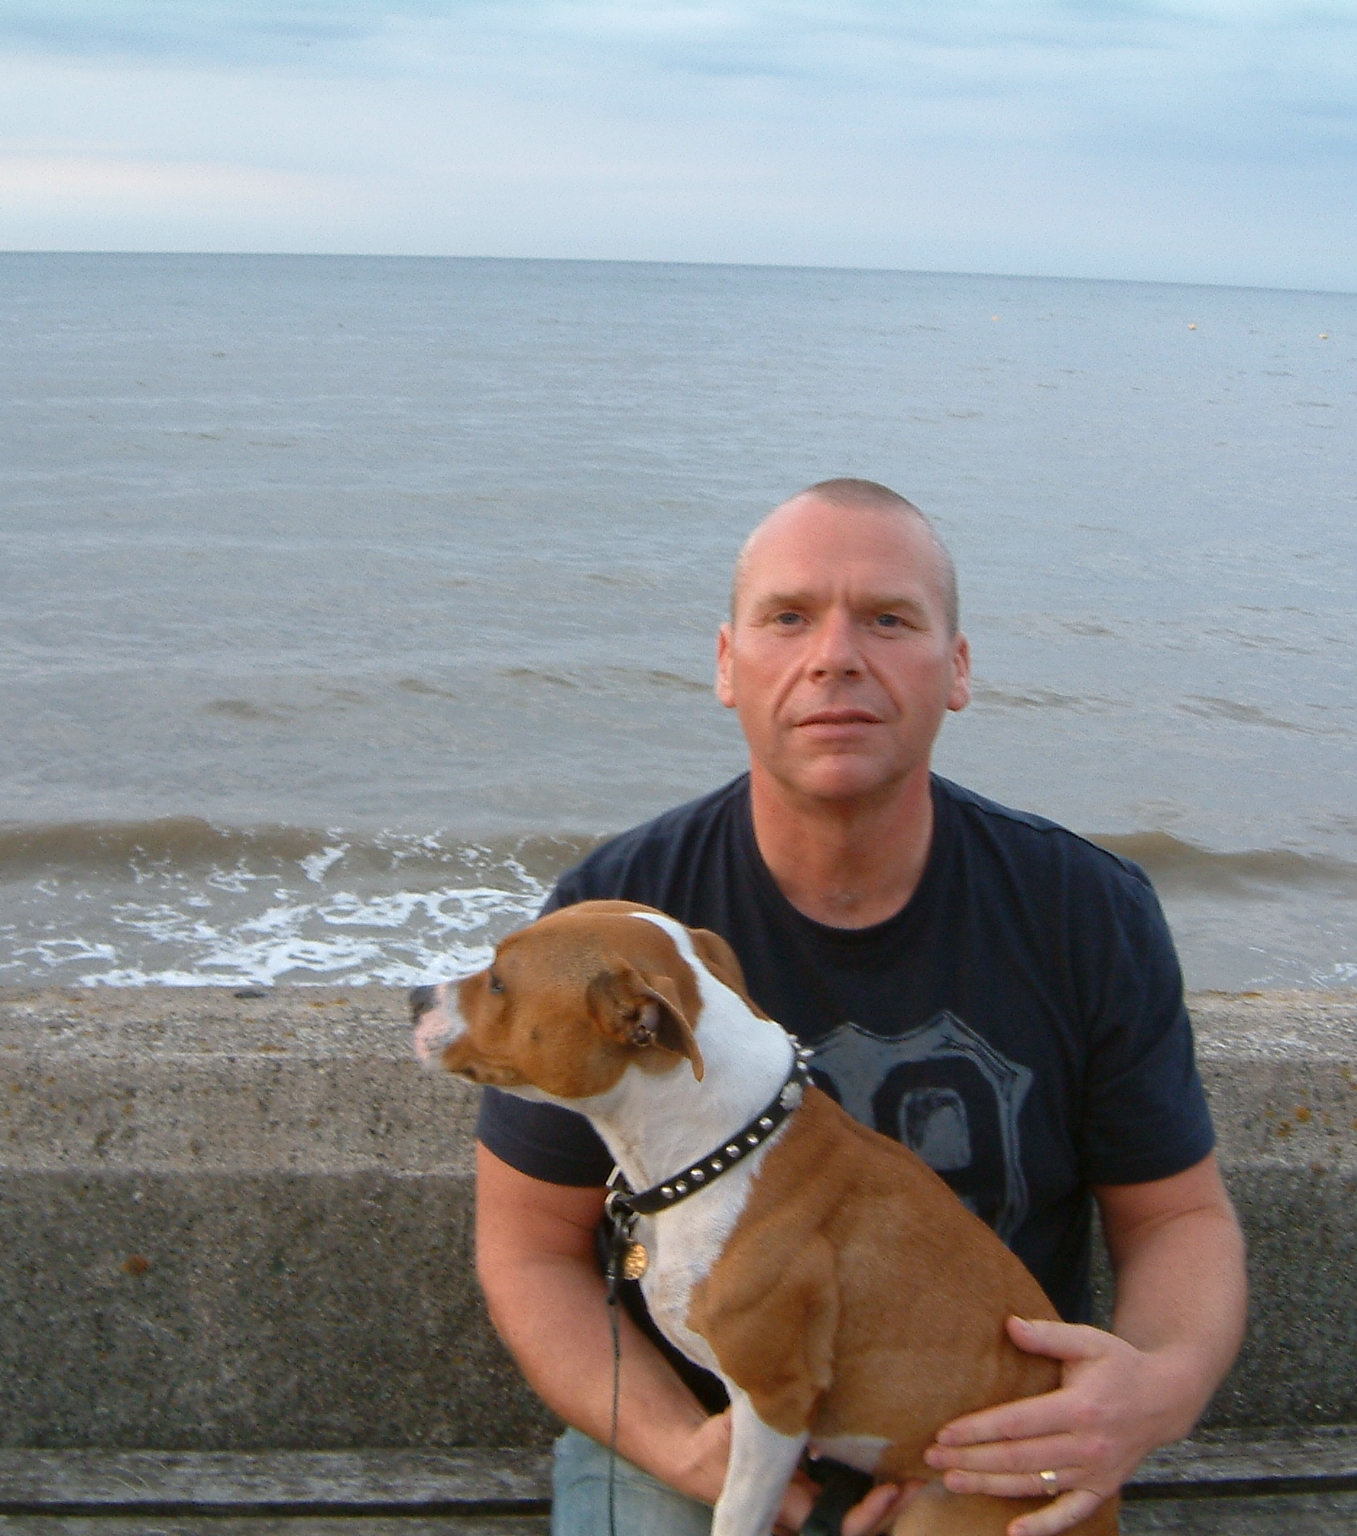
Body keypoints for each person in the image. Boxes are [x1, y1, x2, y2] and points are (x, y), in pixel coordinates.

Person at [474, 479, 1247, 1536]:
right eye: (788, 617)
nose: (835, 655)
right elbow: (528, 1246)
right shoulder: (620, 926)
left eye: (887, 619)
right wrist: (682, 1446)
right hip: (699, 1427)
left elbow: (1175, 1217)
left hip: (979, 1441)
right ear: (726, 664)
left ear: (957, 668)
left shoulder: (1083, 910)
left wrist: (1156, 1388)